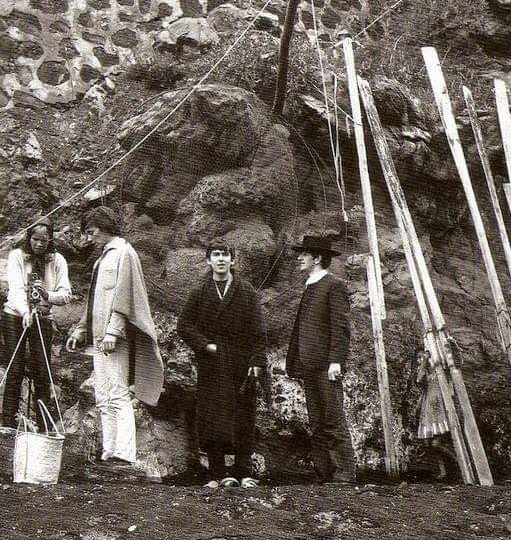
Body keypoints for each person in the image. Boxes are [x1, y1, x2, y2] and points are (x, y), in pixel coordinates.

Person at [66, 206, 164, 467]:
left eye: (92, 229)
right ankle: (109, 451)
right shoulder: (103, 258)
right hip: (98, 338)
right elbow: (94, 301)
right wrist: (80, 329)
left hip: (115, 339)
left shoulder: (124, 253)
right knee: (102, 395)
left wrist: (113, 331)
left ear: (105, 225)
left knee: (118, 392)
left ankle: (125, 452)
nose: (90, 235)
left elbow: (124, 298)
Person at [177, 240, 267, 489]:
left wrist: (257, 362)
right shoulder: (200, 291)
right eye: (215, 255)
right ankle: (217, 473)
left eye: (225, 255)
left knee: (244, 416)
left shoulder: (246, 290)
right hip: (213, 363)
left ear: (233, 260)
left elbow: (259, 331)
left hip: (241, 362)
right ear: (208, 260)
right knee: (213, 417)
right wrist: (206, 345)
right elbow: (184, 325)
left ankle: (244, 472)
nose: (221, 259)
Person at [286, 235, 356, 485]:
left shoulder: (333, 284)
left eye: (304, 254)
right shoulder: (310, 284)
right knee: (316, 421)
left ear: (317, 258)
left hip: (327, 366)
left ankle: (344, 474)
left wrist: (336, 361)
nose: (299, 258)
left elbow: (340, 327)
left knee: (333, 419)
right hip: (309, 364)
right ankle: (322, 472)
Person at [1, 218, 72, 431]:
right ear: (28, 237)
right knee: (15, 367)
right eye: (35, 239)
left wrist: (47, 295)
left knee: (42, 370)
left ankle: (44, 425)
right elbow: (15, 288)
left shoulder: (57, 260)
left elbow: (66, 294)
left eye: (44, 240)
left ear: (50, 240)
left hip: (42, 317)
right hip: (15, 315)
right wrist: (24, 311)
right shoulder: (17, 256)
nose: (39, 244)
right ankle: (8, 423)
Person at [415, 348, 451, 479]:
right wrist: (424, 362)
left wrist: (428, 359)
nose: (420, 361)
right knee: (427, 444)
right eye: (418, 359)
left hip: (439, 410)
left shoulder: (439, 371)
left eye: (421, 357)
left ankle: (456, 461)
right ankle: (443, 471)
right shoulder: (425, 373)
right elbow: (419, 380)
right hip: (428, 411)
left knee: (436, 444)